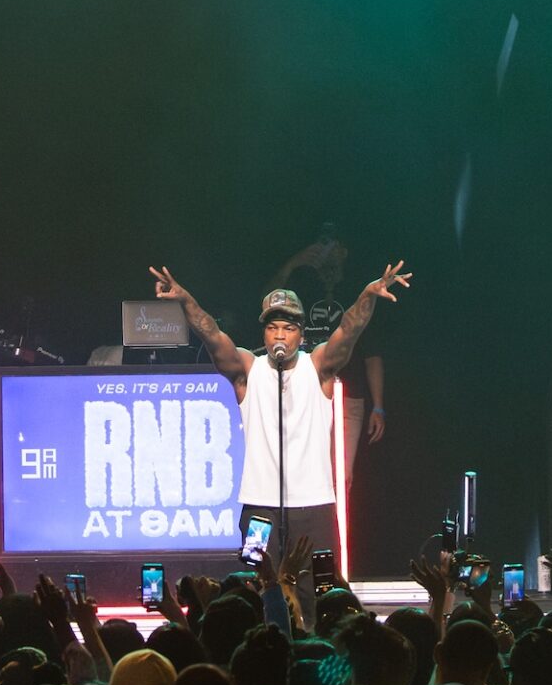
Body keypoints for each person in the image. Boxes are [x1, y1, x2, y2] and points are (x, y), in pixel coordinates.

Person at [147, 260, 411, 608]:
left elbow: (348, 331)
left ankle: (314, 648)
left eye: (288, 327)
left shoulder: (318, 368)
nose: (281, 335)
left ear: (301, 334)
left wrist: (367, 295)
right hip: (259, 508)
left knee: (319, 589)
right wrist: (186, 302)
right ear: (264, 334)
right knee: (258, 586)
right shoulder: (247, 370)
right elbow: (211, 335)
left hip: (313, 506)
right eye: (273, 328)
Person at [262, 228, 390, 499]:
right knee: (298, 472)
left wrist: (378, 405)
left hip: (348, 396)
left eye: (330, 244)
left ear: (343, 250)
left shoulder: (353, 289)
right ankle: (306, 535)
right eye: (319, 243)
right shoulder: (302, 288)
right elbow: (267, 305)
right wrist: (294, 263)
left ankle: (334, 536)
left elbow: (373, 352)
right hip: (304, 392)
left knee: (341, 476)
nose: (324, 250)